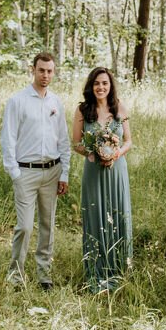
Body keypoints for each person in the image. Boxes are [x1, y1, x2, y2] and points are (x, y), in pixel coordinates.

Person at [1, 52, 72, 290]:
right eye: (41, 70)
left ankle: (44, 274)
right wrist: (15, 173)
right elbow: (8, 139)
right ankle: (16, 276)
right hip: (26, 172)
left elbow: (62, 139)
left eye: (50, 71)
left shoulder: (56, 102)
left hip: (52, 171)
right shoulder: (18, 101)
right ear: (33, 70)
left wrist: (64, 173)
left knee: (47, 225)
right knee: (25, 226)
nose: (46, 75)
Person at [71, 67, 133, 293]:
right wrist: (91, 153)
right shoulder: (82, 110)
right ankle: (95, 273)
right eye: (97, 83)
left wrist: (115, 154)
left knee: (118, 214)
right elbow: (76, 143)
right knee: (96, 215)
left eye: (105, 83)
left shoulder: (119, 107)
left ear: (110, 86)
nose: (101, 87)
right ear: (91, 86)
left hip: (117, 170)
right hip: (93, 171)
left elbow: (129, 142)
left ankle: (119, 270)